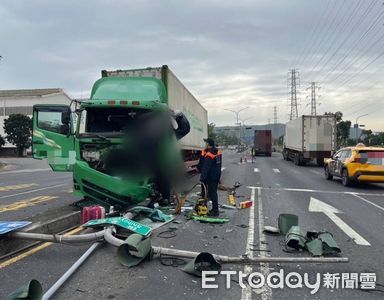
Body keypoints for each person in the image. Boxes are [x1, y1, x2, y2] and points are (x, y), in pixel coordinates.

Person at [199, 138, 222, 217]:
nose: (205, 144)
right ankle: (214, 209)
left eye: (206, 143)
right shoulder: (217, 152)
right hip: (217, 175)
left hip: (211, 176)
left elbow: (206, 167)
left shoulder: (209, 154)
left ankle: (215, 211)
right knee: (213, 193)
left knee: (212, 193)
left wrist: (202, 178)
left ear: (208, 145)